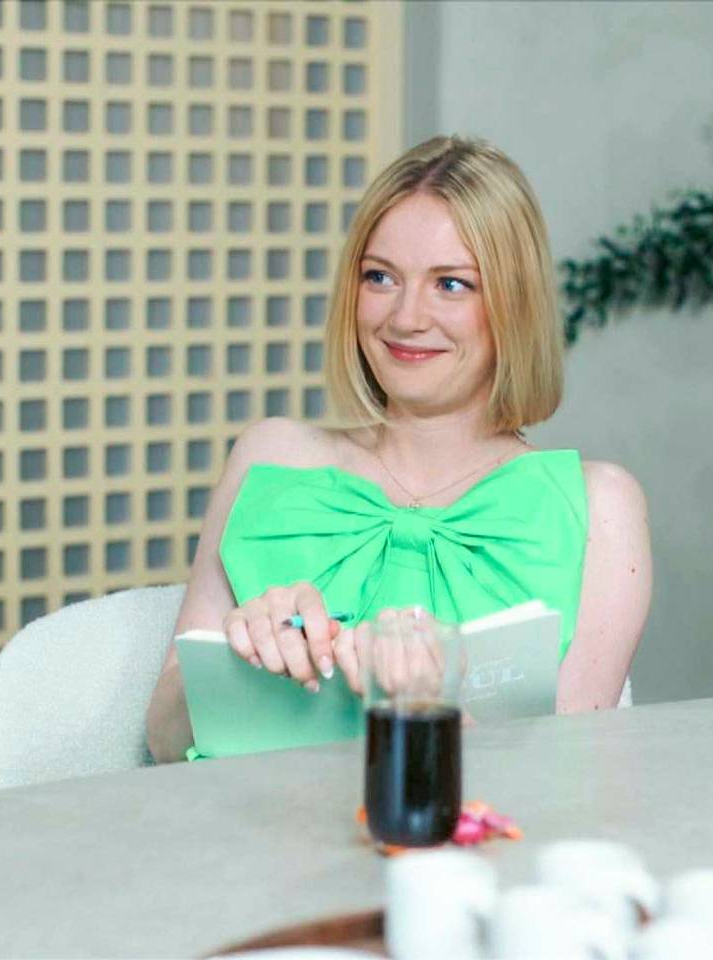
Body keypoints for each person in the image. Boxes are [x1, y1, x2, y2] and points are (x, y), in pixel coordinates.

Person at [146, 135, 652, 763]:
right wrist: (237, 660)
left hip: (469, 828)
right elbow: (163, 742)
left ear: (515, 303)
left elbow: (572, 776)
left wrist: (427, 709)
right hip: (241, 823)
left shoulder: (600, 504)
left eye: (452, 284)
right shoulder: (270, 456)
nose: (406, 317)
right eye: (380, 277)